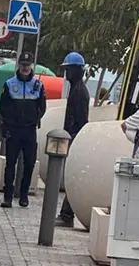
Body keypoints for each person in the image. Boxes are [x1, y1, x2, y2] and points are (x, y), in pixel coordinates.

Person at [0, 52, 46, 208]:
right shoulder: (9, 84)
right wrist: (8, 123)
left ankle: (24, 195)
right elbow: (3, 106)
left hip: (29, 130)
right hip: (14, 130)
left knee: (29, 163)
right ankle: (8, 197)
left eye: (28, 65)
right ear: (18, 65)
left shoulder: (38, 85)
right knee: (10, 163)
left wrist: (34, 119)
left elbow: (42, 106)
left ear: (31, 66)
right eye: (23, 64)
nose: (25, 68)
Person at [55, 52, 90, 228]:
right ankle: (66, 213)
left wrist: (75, 139)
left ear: (77, 70)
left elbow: (81, 119)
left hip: (75, 137)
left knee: (71, 177)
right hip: (71, 135)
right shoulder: (76, 89)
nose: (66, 73)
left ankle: (67, 214)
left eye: (68, 70)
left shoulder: (80, 92)